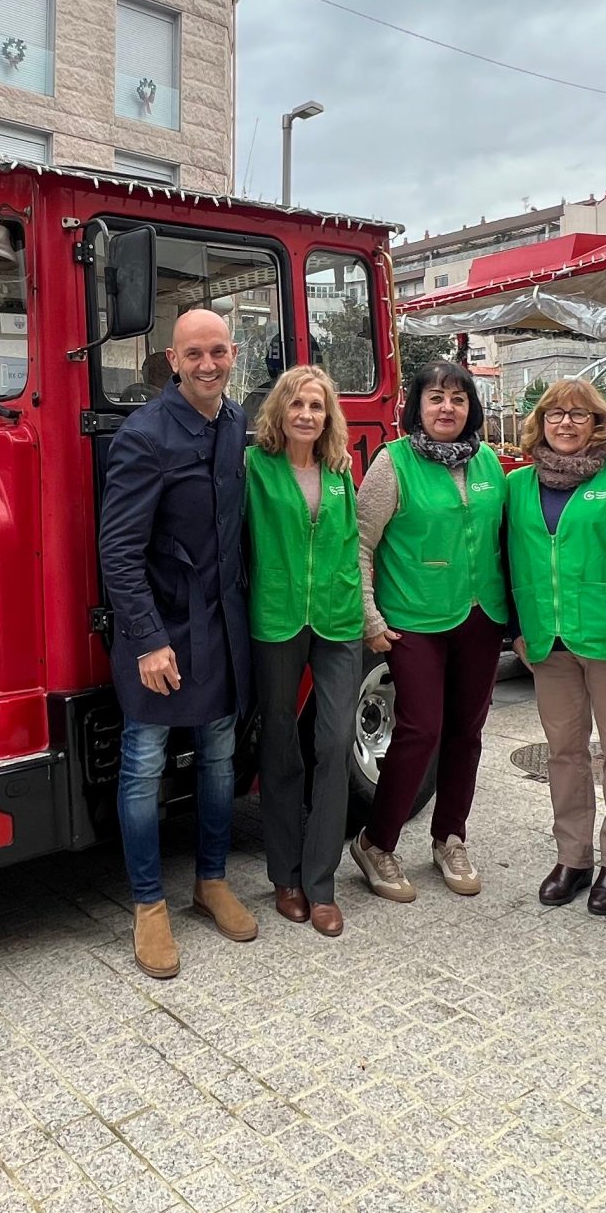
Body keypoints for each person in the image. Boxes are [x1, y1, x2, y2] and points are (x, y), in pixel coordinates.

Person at [98, 306, 261, 979]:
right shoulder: (145, 434)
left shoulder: (235, 424)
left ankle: (213, 881)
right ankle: (147, 906)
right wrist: (147, 641)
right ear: (173, 360)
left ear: (232, 355)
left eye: (219, 351)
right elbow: (118, 550)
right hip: (161, 630)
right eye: (194, 353)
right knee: (143, 764)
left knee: (221, 756)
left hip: (220, 626)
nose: (208, 364)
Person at [349, 360, 509, 902]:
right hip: (413, 618)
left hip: (481, 616)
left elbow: (506, 543)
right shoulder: (393, 463)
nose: (447, 408)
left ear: (471, 408)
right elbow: (361, 544)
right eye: (436, 398)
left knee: (468, 731)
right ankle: (376, 841)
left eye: (458, 399)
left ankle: (450, 836)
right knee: (421, 729)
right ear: (416, 406)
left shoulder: (490, 462)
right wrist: (369, 616)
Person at [506, 378, 606, 916]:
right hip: (548, 641)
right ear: (540, 423)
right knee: (564, 754)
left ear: (598, 423)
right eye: (554, 414)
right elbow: (504, 561)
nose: (566, 423)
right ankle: (572, 858)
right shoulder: (517, 485)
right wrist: (514, 630)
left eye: (579, 414)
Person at [245, 366, 364, 937]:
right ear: (279, 411)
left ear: (327, 415)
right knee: (280, 742)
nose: (306, 415)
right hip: (277, 616)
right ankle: (284, 877)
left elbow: (352, 546)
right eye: (296, 405)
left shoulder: (341, 472)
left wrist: (367, 615)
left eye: (316, 406)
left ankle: (321, 883)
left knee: (336, 741)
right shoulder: (255, 469)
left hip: (337, 621)